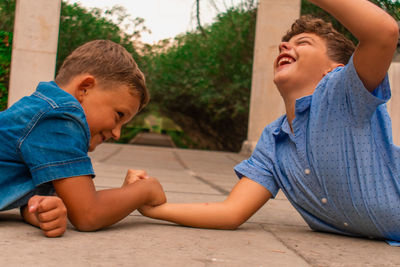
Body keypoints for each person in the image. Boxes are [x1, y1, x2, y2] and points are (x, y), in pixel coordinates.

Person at [139, 0, 400, 243]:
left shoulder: (343, 94)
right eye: (284, 45)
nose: (285, 47)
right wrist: (154, 209)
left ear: (335, 68)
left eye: (303, 42)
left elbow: (383, 33)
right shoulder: (273, 141)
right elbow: (231, 212)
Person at [0, 40, 166, 237]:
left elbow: (38, 200)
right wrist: (145, 190)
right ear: (85, 88)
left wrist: (44, 210)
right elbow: (88, 214)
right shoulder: (61, 117)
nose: (117, 133)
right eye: (119, 115)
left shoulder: (41, 110)